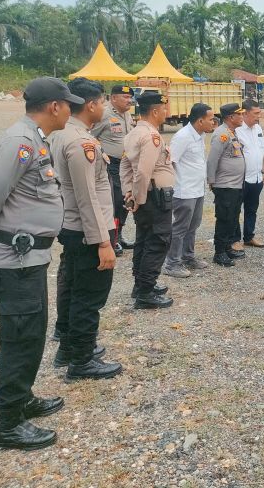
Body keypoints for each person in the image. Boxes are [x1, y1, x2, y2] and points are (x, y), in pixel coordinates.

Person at [0, 77, 82, 450]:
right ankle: (9, 423)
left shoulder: (35, 138)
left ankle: (21, 396)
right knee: (21, 338)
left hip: (27, 259)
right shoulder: (20, 141)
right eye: (68, 104)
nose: (71, 110)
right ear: (54, 107)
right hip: (13, 262)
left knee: (31, 334)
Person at [49, 79, 122, 381]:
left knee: (71, 286)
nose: (104, 107)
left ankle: (69, 348)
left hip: (71, 227)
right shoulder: (82, 142)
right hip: (88, 229)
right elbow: (87, 197)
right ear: (91, 104)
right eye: (103, 101)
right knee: (88, 295)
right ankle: (81, 359)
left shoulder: (60, 134)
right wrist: (102, 241)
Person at [120, 91, 174, 310]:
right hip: (153, 197)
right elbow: (143, 172)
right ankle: (146, 293)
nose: (166, 113)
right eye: (163, 109)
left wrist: (129, 193)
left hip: (144, 195)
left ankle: (141, 284)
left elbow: (125, 166)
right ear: (154, 111)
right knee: (158, 241)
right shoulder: (151, 136)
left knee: (143, 240)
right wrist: (139, 198)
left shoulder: (133, 133)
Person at [162, 103, 213, 278]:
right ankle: (172, 263)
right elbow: (171, 162)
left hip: (197, 189)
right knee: (180, 227)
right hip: (184, 191)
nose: (213, 122)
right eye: (211, 119)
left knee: (193, 225)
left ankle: (188, 256)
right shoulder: (183, 136)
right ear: (200, 121)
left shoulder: (199, 135)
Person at [91, 84, 136, 256]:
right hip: (111, 165)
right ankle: (112, 239)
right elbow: (90, 135)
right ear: (114, 98)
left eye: (130, 97)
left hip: (127, 164)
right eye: (125, 97)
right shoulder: (104, 114)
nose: (129, 100)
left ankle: (120, 235)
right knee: (115, 201)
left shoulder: (127, 114)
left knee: (126, 200)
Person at [208, 103, 247, 267]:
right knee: (224, 219)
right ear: (231, 117)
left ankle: (227, 247)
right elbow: (212, 160)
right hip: (225, 186)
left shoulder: (232, 132)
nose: (242, 117)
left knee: (232, 218)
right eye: (240, 115)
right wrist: (211, 181)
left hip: (235, 185)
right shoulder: (222, 134)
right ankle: (219, 253)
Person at [235, 99, 264, 248]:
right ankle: (234, 240)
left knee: (252, 209)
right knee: (235, 210)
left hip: (257, 177)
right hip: (241, 179)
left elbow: (262, 150)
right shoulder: (237, 130)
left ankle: (249, 236)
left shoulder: (258, 129)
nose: (258, 116)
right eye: (256, 113)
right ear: (245, 114)